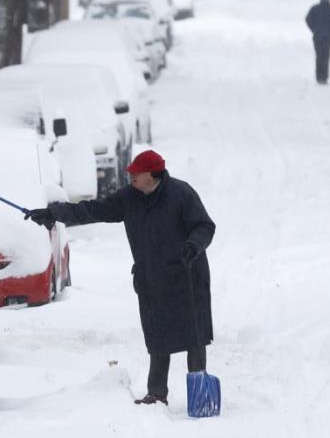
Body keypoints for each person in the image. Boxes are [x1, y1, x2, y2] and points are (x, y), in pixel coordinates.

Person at [24, 150, 216, 406]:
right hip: (152, 279)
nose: (131, 177)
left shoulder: (181, 193)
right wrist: (53, 213)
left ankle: (200, 395)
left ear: (152, 174)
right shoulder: (130, 198)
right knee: (158, 337)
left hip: (187, 274)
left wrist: (194, 245)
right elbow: (93, 210)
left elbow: (205, 226)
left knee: (193, 336)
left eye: (136, 173)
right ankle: (157, 394)